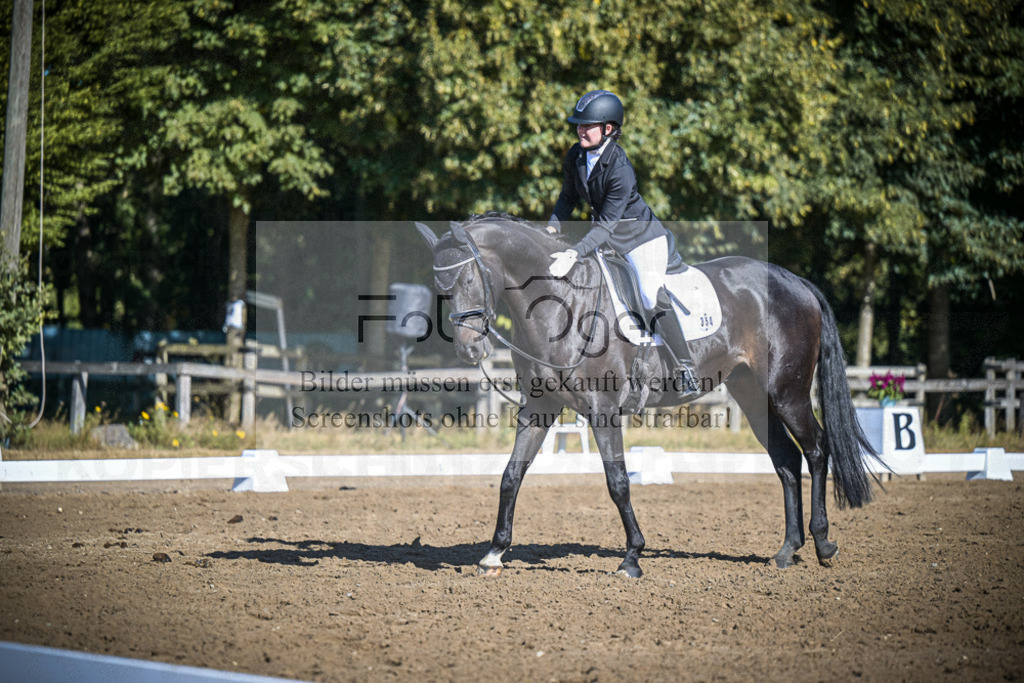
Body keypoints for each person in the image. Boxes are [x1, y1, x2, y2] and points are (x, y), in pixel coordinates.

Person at [544, 89, 698, 398]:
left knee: (649, 293)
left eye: (588, 125)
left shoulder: (620, 169)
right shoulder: (576, 155)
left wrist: (575, 251)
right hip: (606, 239)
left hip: (640, 238)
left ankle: (685, 368)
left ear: (609, 129)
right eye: (579, 125)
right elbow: (567, 198)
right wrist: (550, 228)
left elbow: (607, 225)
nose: (580, 130)